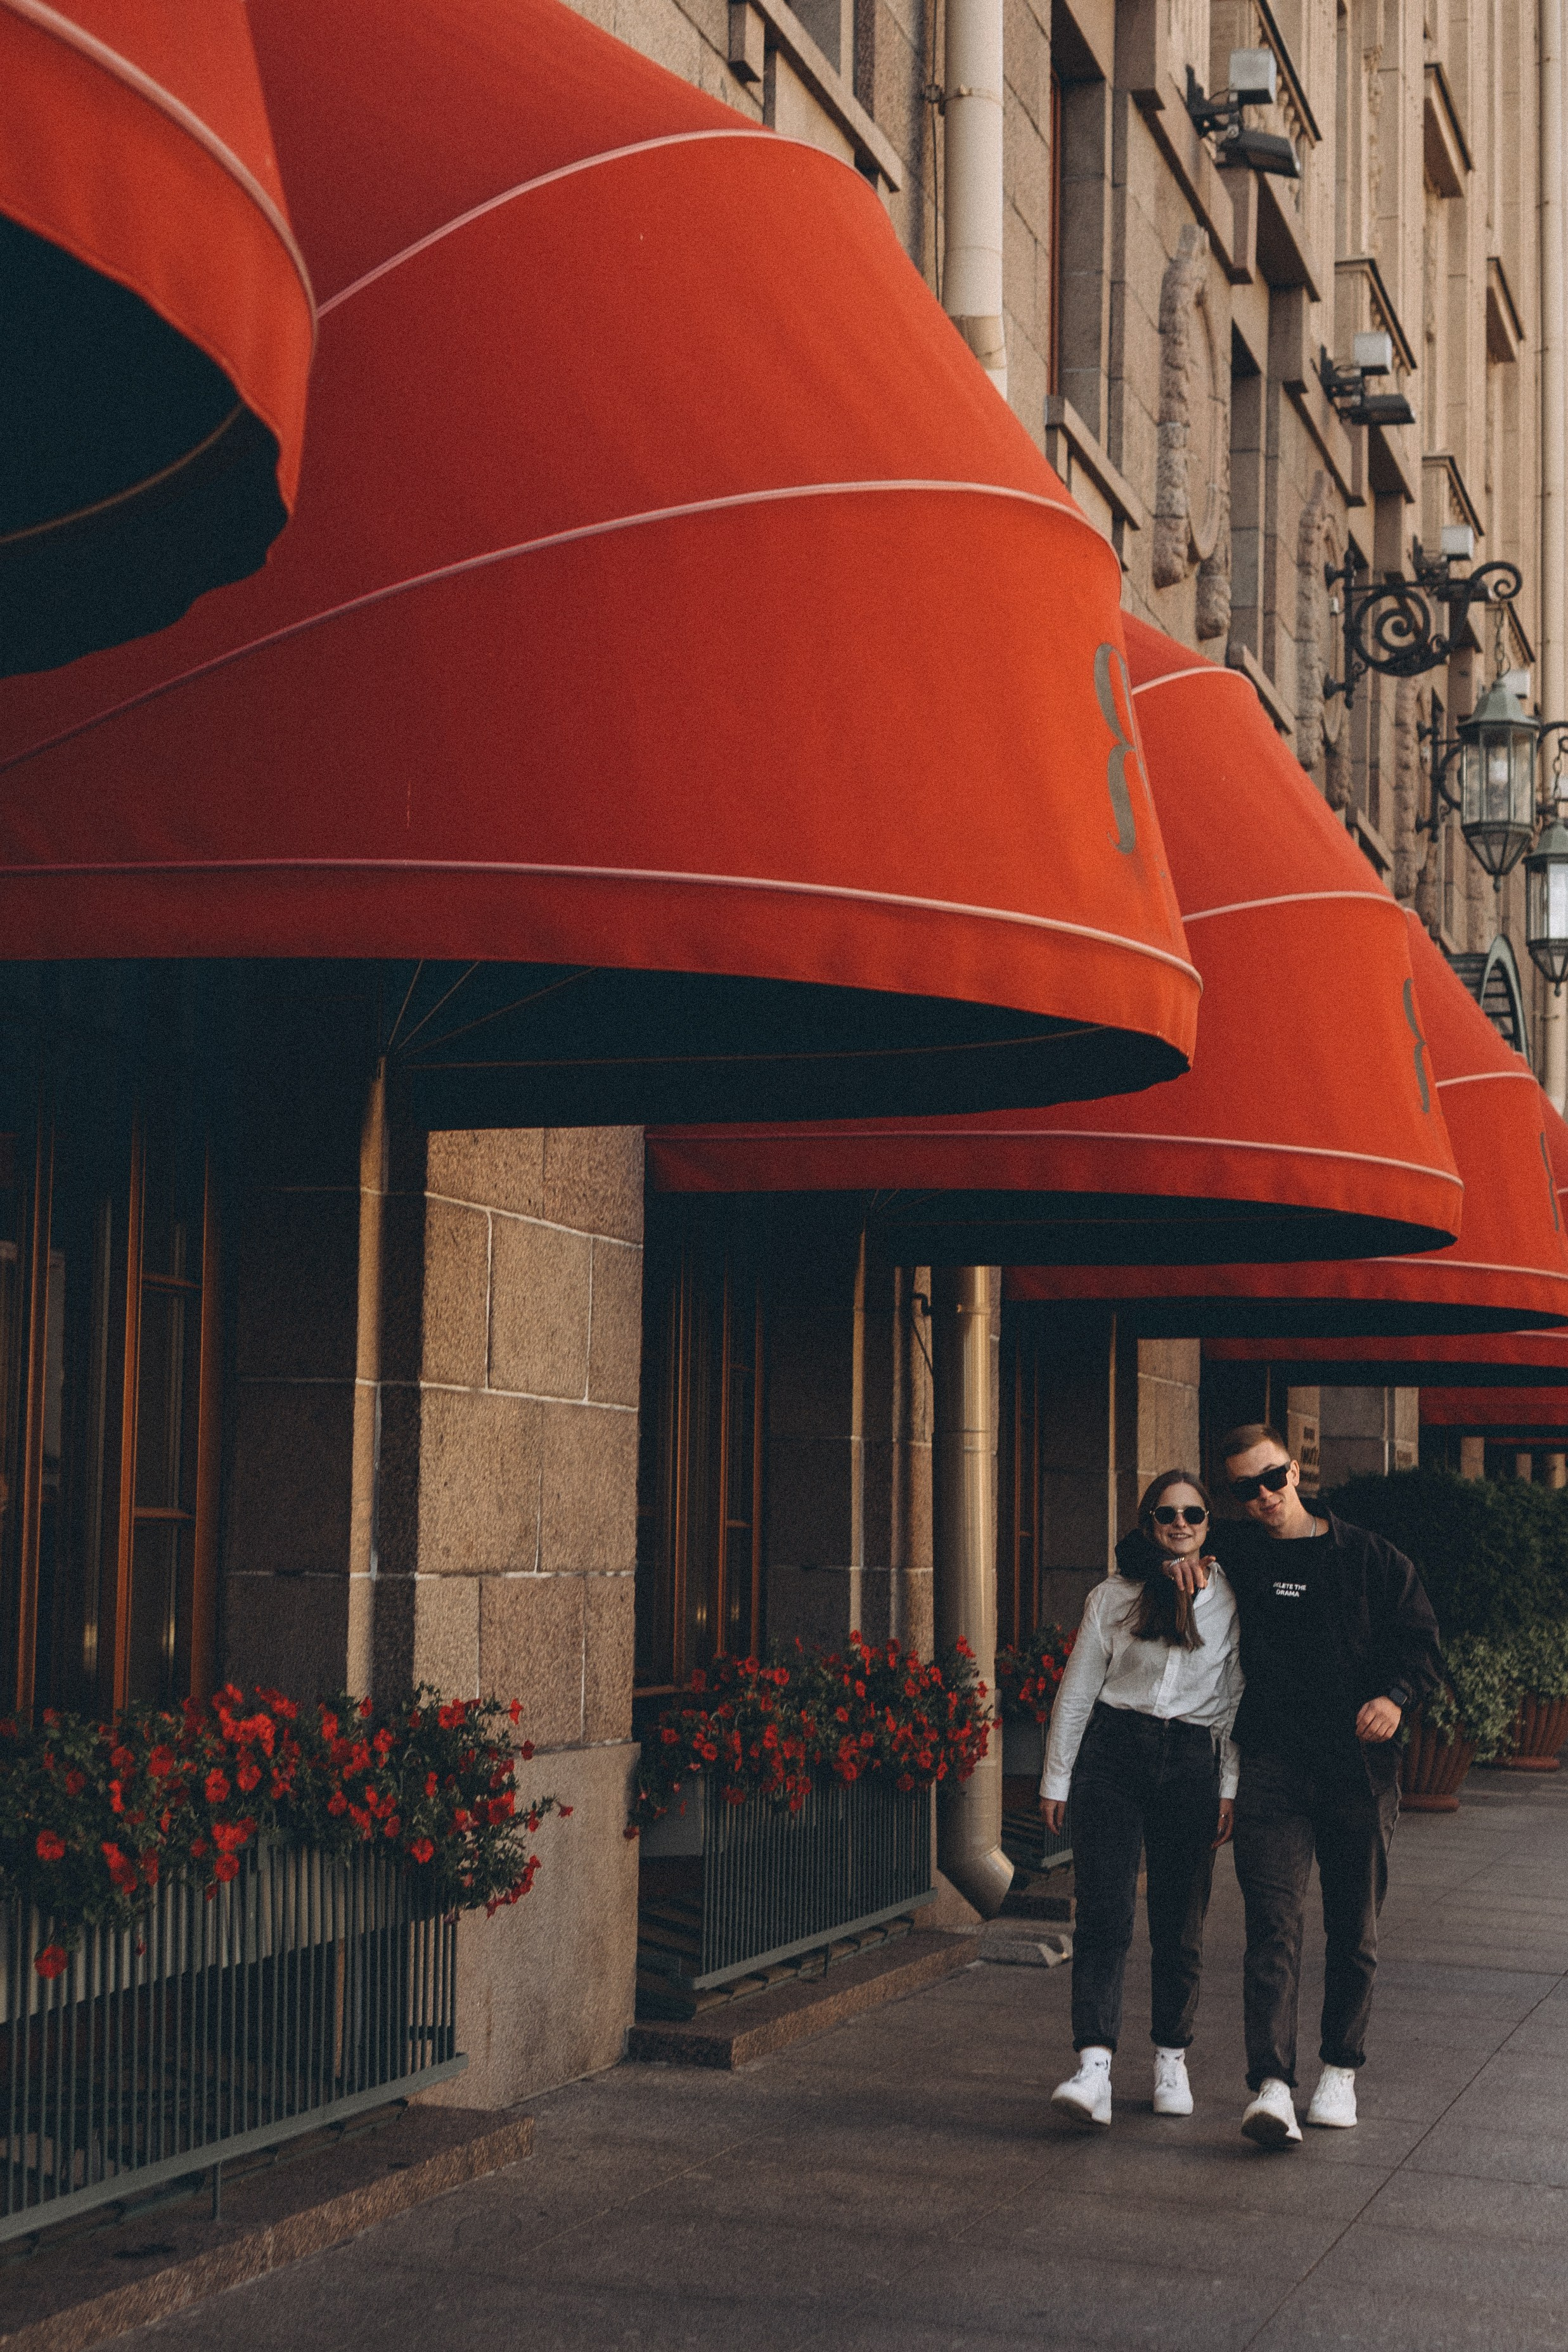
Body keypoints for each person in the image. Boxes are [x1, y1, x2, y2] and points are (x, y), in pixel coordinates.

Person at [1169, 1423, 1443, 2150]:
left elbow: (1421, 1646)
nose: (1261, 1496)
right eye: (1244, 1488)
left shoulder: (1369, 1557)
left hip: (1356, 1770)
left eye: (1270, 1478)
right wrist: (1172, 1562)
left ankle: (1339, 2071)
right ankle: (1270, 2086)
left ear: (1293, 1471)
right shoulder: (1240, 1551)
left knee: (1353, 1930)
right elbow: (1144, 1543)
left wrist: (1393, 1698)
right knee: (1271, 1927)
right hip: (1271, 1770)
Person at [1041, 1469, 1242, 2129]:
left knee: (1180, 1921)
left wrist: (1227, 1786)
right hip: (1113, 1756)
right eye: (1166, 1514)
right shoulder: (1113, 1595)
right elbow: (1077, 1689)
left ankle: (1170, 2058)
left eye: (1192, 1514)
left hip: (1191, 1761)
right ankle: (1093, 2065)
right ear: (1148, 1523)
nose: (1180, 1523)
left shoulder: (1229, 1599)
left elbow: (1233, 1699)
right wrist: (1056, 1778)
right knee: (1103, 1914)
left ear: (1208, 1524)